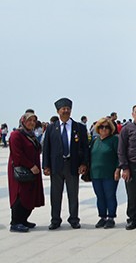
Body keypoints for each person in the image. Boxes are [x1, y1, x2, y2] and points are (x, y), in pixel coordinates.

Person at [42, 97, 89, 230]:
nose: (66, 111)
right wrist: (46, 165)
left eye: (68, 109)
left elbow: (85, 147)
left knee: (73, 194)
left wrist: (84, 163)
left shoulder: (78, 127)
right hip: (56, 166)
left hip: (72, 165)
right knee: (55, 195)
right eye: (63, 109)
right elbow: (46, 148)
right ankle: (55, 219)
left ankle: (74, 219)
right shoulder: (51, 128)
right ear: (58, 111)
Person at [8, 112, 45, 232]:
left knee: (30, 195)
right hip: (22, 171)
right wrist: (30, 165)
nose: (32, 123)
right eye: (29, 120)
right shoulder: (16, 135)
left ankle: (23, 220)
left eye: (34, 121)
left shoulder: (31, 135)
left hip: (32, 170)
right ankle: (15, 222)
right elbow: (17, 154)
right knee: (20, 195)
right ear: (23, 121)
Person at [89, 117, 120, 229]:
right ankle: (102, 216)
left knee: (110, 196)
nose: (104, 129)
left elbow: (119, 156)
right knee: (100, 196)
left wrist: (118, 169)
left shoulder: (114, 140)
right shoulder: (95, 140)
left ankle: (111, 217)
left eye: (106, 127)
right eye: (101, 127)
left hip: (110, 174)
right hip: (96, 173)